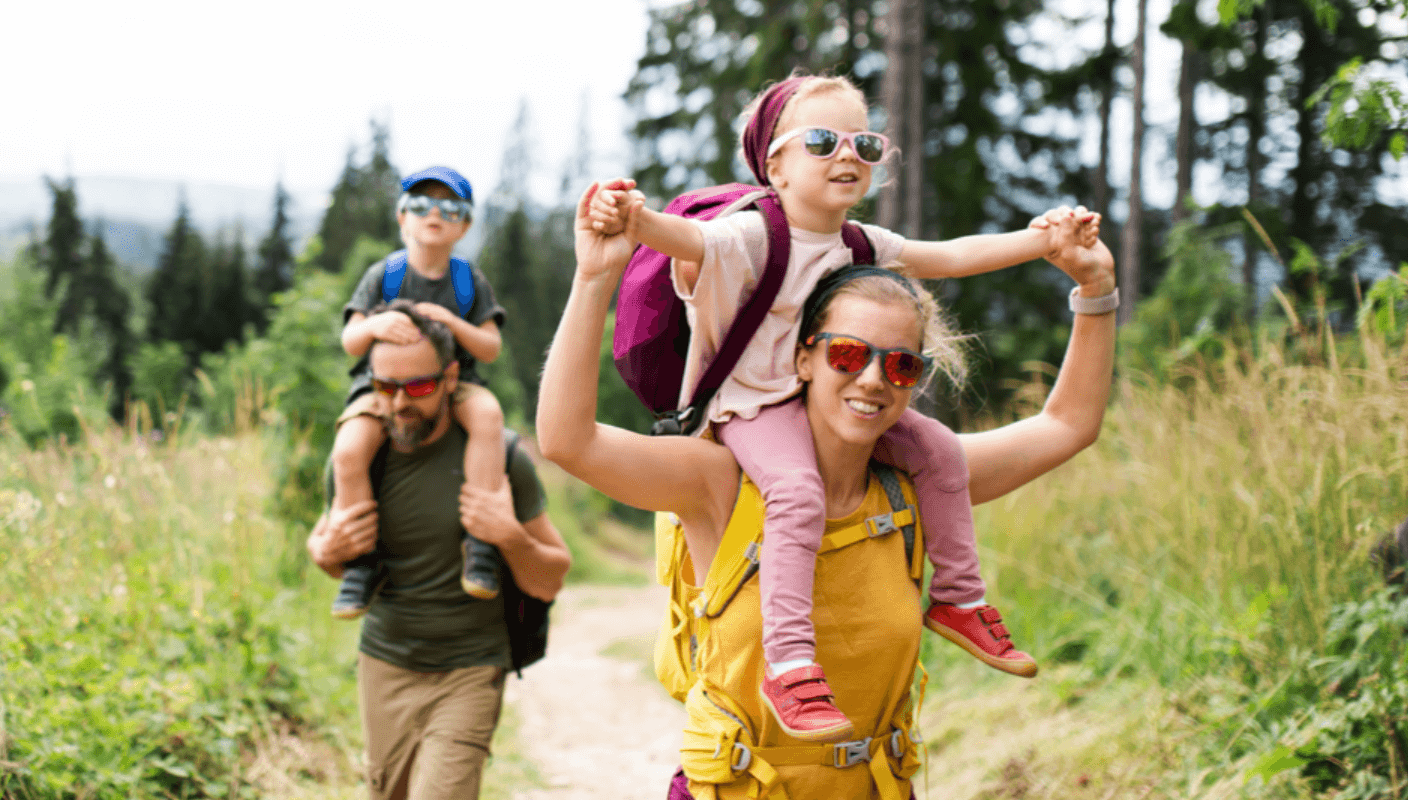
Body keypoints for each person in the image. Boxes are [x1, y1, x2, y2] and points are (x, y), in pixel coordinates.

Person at [538, 179, 1116, 798]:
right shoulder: (721, 481)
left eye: (901, 365)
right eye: (847, 354)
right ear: (803, 358)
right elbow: (568, 441)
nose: (872, 380)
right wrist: (595, 277)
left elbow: (1067, 425)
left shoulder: (919, 486)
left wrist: (1096, 290)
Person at [587, 73, 1101, 739]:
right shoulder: (750, 235)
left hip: (814, 401)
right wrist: (630, 219)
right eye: (824, 141)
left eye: (866, 142)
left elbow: (945, 258)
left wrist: (1045, 243)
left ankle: (956, 599)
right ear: (775, 162)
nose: (849, 155)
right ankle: (791, 662)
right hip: (752, 410)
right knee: (797, 491)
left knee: (940, 449)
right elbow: (686, 241)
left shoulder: (857, 244)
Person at [308, 300, 572, 800]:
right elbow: (326, 547)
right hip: (384, 663)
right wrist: (325, 553)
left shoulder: (503, 461)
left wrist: (509, 535)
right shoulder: (360, 458)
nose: (400, 403)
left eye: (420, 386)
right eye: (385, 388)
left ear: (451, 378)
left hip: (470, 668)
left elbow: (551, 577)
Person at [331, 166, 512, 618]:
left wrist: (452, 323)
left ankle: (480, 543)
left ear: (465, 225)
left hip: (456, 381)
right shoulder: (385, 275)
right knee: (350, 451)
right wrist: (373, 324)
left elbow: (490, 347)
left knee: (489, 419)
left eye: (450, 207)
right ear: (402, 218)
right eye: (421, 205)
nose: (435, 214)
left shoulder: (468, 280)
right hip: (384, 386)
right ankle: (360, 560)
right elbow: (350, 340)